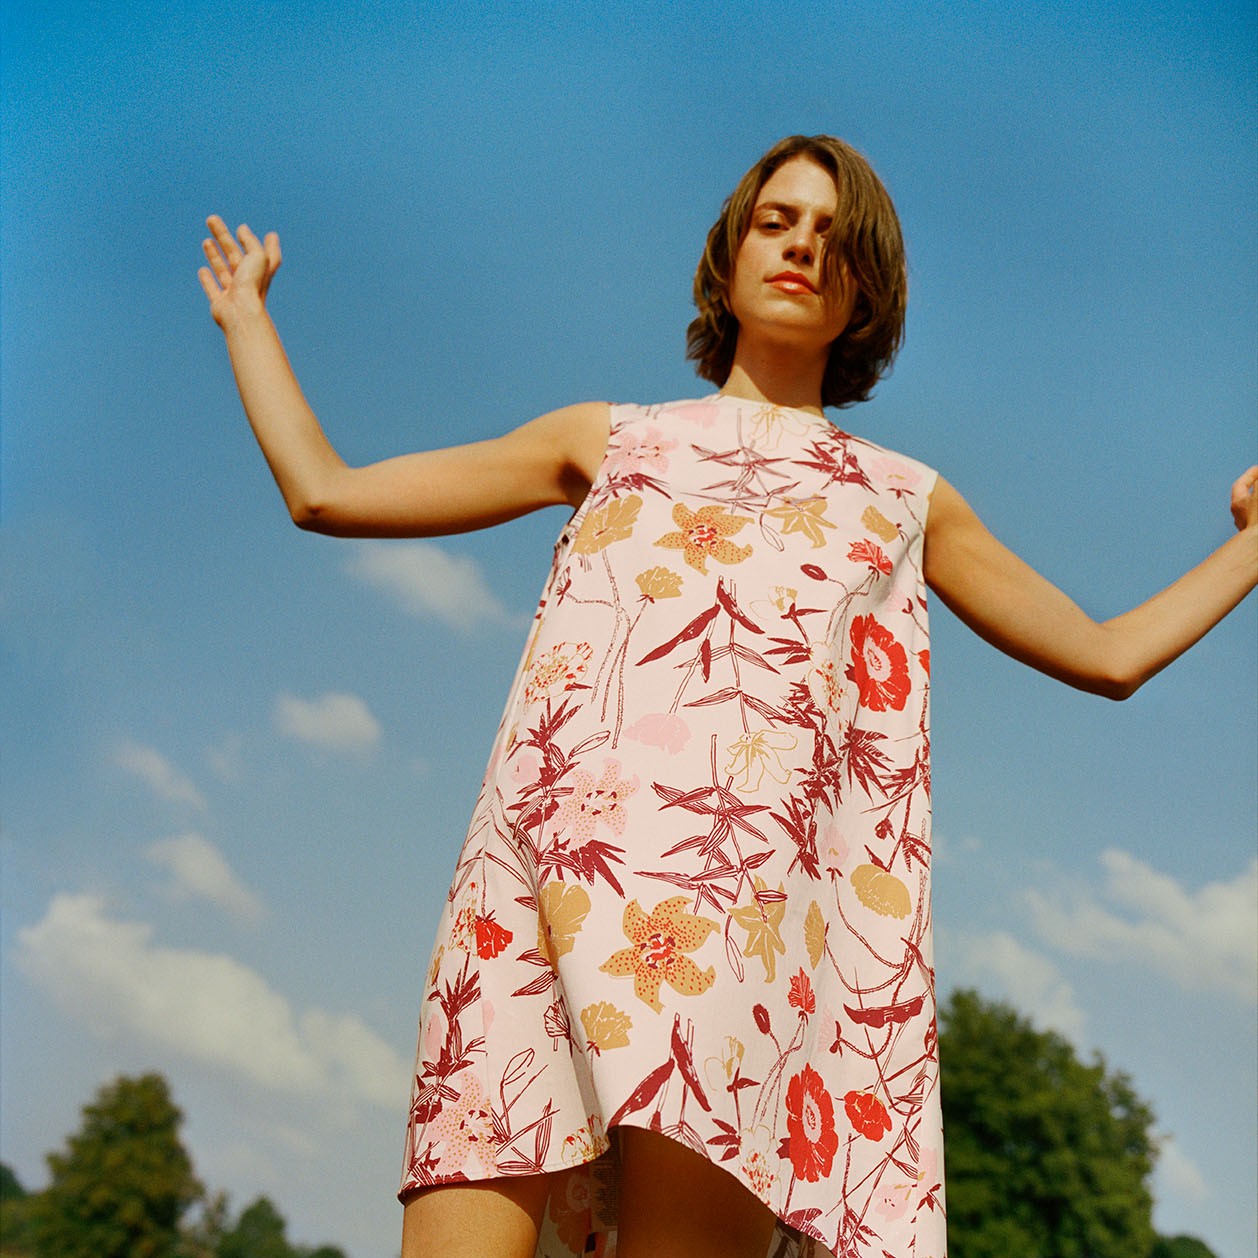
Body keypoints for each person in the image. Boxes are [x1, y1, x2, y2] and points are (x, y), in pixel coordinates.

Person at [199, 135, 1257, 1258]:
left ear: (868, 292)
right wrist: (248, 323)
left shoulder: (902, 501)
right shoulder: (607, 440)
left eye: (834, 235)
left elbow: (1105, 654)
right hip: (525, 913)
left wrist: (1249, 549)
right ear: (732, 252)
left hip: (729, 951)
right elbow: (326, 492)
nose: (802, 244)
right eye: (777, 220)